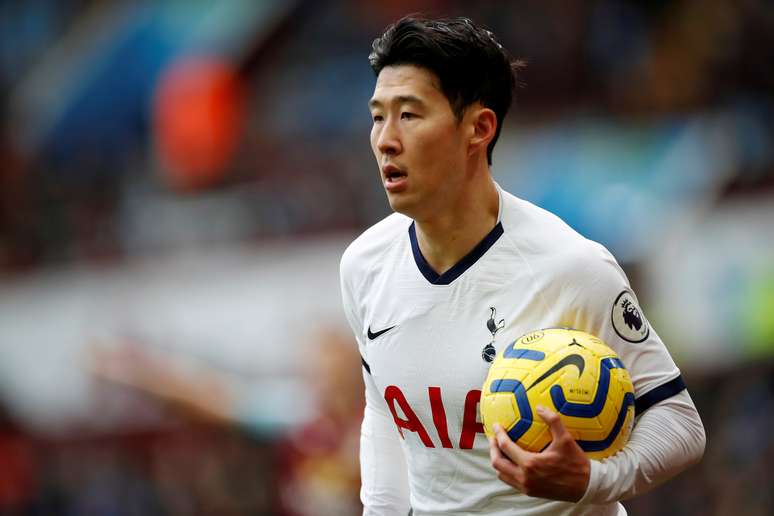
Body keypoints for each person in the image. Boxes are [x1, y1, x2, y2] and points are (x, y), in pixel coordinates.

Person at [339, 15, 705, 516]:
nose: (385, 139)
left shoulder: (572, 268)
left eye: (410, 114)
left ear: (479, 128)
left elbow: (678, 419)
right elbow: (385, 416)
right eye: (378, 116)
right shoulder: (364, 266)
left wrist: (594, 480)